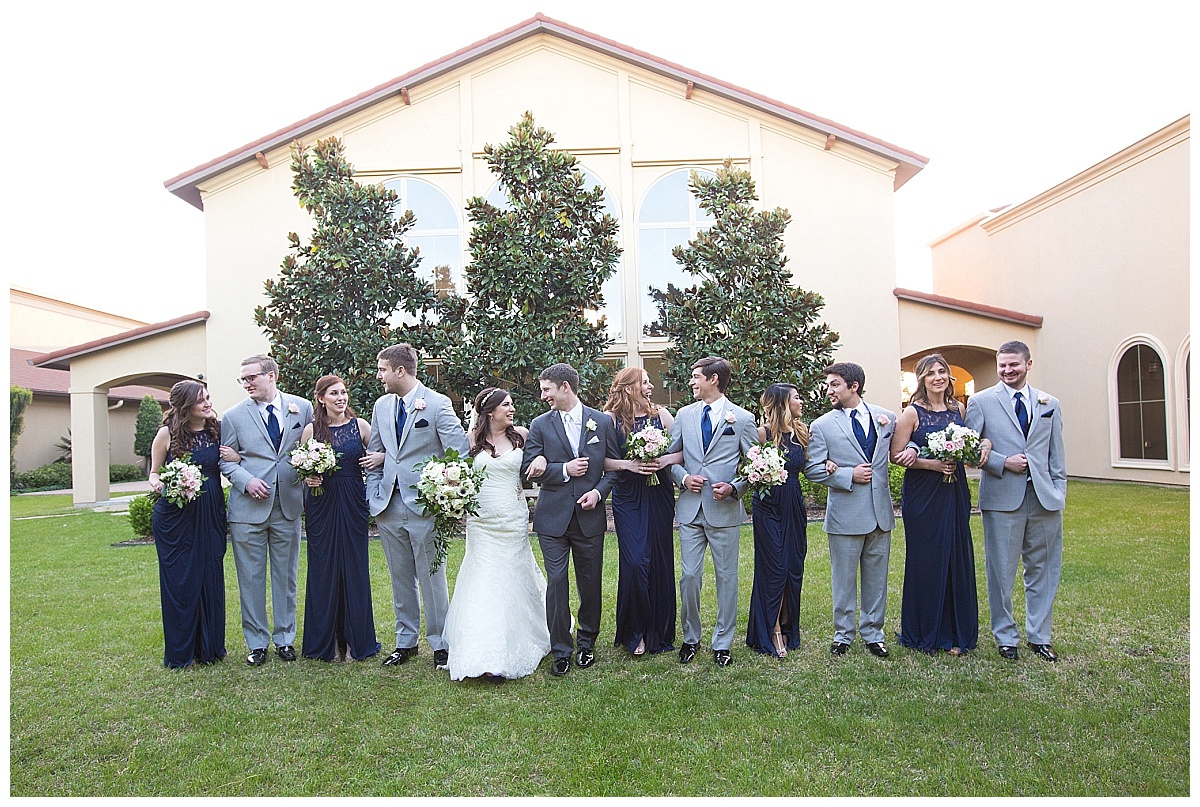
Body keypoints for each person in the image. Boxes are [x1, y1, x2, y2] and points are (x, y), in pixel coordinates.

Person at [365, 344, 469, 671]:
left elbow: (459, 454)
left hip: (426, 506)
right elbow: (376, 455)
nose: (378, 376)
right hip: (388, 506)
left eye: (382, 370)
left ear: (400, 370)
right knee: (399, 577)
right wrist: (373, 495)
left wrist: (443, 494)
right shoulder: (382, 406)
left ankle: (440, 644)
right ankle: (405, 641)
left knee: (432, 577)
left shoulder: (437, 404)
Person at [965, 340, 1066, 662]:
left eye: (1014, 365)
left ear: (1028, 365)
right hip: (1002, 497)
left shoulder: (1050, 403)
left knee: (1044, 570)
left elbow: (1056, 455)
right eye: (1003, 365)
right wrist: (1001, 461)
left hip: (1044, 499)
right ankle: (1005, 636)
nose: (1008, 370)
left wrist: (1059, 491)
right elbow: (968, 448)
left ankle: (1040, 637)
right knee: (1001, 571)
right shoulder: (981, 401)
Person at [444, 388, 551, 682]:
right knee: (483, 580)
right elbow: (456, 472)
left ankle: (519, 641)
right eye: (506, 405)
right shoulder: (472, 441)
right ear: (490, 411)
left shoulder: (523, 435)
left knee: (512, 576)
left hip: (512, 518)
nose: (512, 409)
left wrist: (540, 461)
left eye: (512, 404)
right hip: (481, 521)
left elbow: (541, 459)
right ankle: (483, 653)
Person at [521, 363, 621, 676]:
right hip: (552, 519)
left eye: (546, 389)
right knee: (557, 582)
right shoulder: (540, 424)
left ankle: (587, 642)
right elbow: (528, 467)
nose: (542, 395)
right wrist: (564, 470)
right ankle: (561, 649)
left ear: (566, 387)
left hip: (589, 517)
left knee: (590, 583)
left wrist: (598, 494)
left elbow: (614, 469)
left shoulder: (601, 421)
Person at [219, 355, 314, 666]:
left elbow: (309, 450)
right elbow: (225, 461)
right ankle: (256, 642)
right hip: (248, 510)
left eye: (251, 378)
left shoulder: (302, 407)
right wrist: (246, 481)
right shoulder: (233, 416)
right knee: (251, 576)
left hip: (288, 505)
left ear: (272, 375)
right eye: (243, 379)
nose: (246, 384)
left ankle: (285, 639)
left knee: (286, 577)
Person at [668, 356, 757, 667]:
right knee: (689, 576)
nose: (691, 382)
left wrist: (734, 487)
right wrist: (683, 478)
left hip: (725, 511)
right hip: (691, 510)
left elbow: (756, 466)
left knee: (726, 578)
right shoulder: (683, 415)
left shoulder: (743, 419)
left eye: (696, 377)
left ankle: (723, 642)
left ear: (713, 379)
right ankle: (690, 638)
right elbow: (671, 459)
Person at [804, 362, 897, 658]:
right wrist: (847, 475)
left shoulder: (887, 418)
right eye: (828, 385)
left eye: (834, 384)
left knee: (877, 579)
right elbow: (812, 469)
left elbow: (899, 451)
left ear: (853, 386)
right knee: (843, 579)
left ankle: (874, 633)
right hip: (845, 513)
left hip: (881, 513)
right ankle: (843, 634)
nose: (828, 390)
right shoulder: (822, 425)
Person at [890, 354, 979, 656]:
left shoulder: (959, 409)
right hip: (923, 494)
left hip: (954, 491)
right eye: (931, 373)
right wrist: (932, 465)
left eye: (942, 371)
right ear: (922, 380)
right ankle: (925, 631)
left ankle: (956, 633)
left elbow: (971, 446)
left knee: (957, 556)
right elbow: (897, 455)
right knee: (927, 559)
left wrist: (966, 454)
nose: (938, 377)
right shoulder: (911, 414)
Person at [148, 380, 237, 668]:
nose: (208, 403)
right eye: (201, 400)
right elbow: (153, 474)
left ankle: (209, 648)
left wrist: (236, 456)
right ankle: (181, 653)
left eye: (208, 397)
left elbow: (236, 460)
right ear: (186, 406)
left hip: (209, 510)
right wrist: (163, 484)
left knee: (210, 576)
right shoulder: (166, 435)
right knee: (181, 582)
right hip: (176, 515)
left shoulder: (218, 429)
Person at [297, 375, 381, 663]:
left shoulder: (361, 427)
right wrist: (308, 476)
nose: (340, 398)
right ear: (321, 399)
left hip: (353, 501)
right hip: (322, 503)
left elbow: (383, 455)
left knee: (354, 568)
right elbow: (300, 467)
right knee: (323, 569)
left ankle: (356, 642)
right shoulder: (311, 430)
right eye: (334, 393)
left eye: (343, 392)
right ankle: (327, 643)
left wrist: (378, 459)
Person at [602, 367, 680, 657]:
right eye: (644, 382)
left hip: (659, 492)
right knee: (635, 561)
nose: (649, 386)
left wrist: (663, 460)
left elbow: (683, 450)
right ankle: (634, 631)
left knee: (659, 559)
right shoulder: (610, 420)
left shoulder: (661, 415)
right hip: (628, 495)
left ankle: (657, 632)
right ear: (628, 387)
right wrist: (628, 465)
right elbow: (602, 460)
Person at [745, 383, 811, 659]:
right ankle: (770, 630)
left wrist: (830, 466)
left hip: (794, 504)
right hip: (768, 506)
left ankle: (787, 626)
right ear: (783, 403)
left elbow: (810, 465)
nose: (801, 402)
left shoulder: (801, 432)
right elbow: (746, 468)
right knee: (774, 567)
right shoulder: (762, 434)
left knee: (793, 566)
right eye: (797, 398)